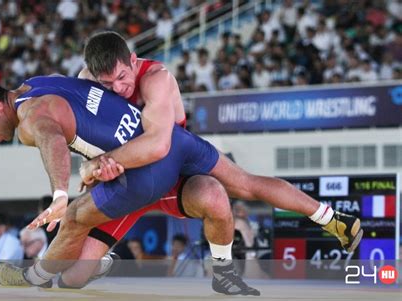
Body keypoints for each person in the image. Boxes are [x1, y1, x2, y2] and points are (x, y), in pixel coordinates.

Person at [61, 31, 362, 287]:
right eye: (107, 84)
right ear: (93, 75)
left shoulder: (156, 78)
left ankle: (332, 219)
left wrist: (103, 162)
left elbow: (158, 145)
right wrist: (100, 163)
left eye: (123, 78)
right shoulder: (86, 83)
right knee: (74, 277)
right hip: (132, 181)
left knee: (245, 185)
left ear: (134, 60)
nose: (118, 89)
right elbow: (83, 138)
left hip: (175, 161)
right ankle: (97, 262)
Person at [0, 76, 259, 296]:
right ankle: (89, 264)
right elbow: (91, 83)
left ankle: (33, 277)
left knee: (72, 217)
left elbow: (52, 140)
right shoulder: (39, 83)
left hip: (144, 176)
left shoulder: (30, 118)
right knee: (72, 279)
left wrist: (60, 195)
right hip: (128, 174)